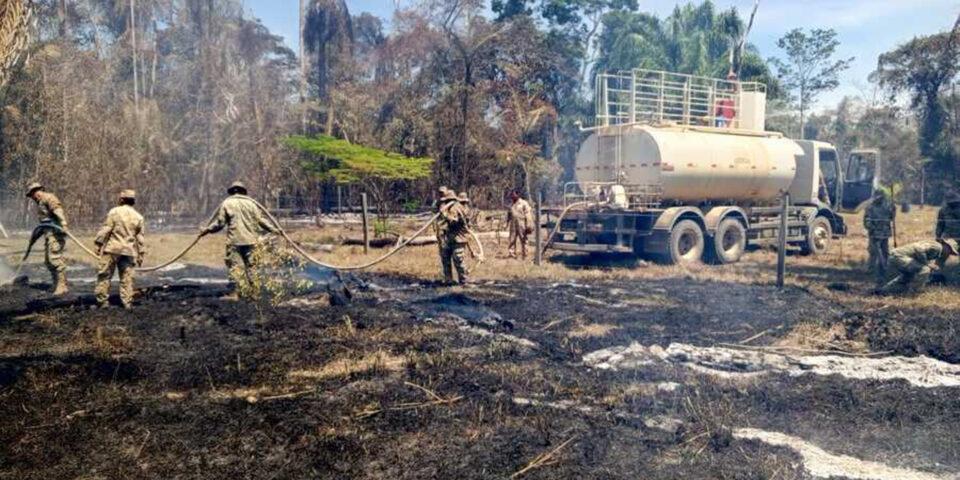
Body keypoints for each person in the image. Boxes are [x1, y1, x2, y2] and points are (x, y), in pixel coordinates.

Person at [199, 181, 280, 294]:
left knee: (236, 268)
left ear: (232, 192)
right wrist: (275, 230)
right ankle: (255, 292)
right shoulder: (252, 204)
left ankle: (236, 293)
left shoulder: (227, 203)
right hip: (252, 241)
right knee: (252, 268)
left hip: (235, 242)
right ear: (243, 191)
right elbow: (261, 220)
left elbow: (220, 223)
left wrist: (207, 230)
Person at [94, 190, 146, 309]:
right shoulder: (139, 217)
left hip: (113, 249)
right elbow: (140, 238)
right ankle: (127, 302)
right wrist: (141, 254)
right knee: (127, 278)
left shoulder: (114, 212)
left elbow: (106, 229)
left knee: (104, 275)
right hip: (128, 251)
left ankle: (102, 302)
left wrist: (98, 243)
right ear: (133, 201)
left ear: (122, 199)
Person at [25, 182, 69, 295]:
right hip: (49, 234)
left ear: (36, 192)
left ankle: (62, 285)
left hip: (55, 233)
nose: (32, 198)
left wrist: (63, 223)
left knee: (55, 259)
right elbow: (44, 224)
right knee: (48, 261)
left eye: (32, 195)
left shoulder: (49, 197)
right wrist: (33, 239)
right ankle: (56, 283)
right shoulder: (40, 203)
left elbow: (57, 210)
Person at [880, 238, 958, 294]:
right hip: (899, 257)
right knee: (925, 269)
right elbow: (919, 249)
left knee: (908, 276)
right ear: (946, 245)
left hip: (897, 257)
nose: (949, 254)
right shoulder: (938, 247)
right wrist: (927, 264)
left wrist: (929, 264)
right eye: (950, 251)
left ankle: (884, 290)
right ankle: (914, 292)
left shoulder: (937, 250)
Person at [436, 188, 470, 285]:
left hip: (459, 238)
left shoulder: (456, 208)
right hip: (449, 238)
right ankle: (448, 280)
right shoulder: (448, 208)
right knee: (445, 258)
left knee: (458, 259)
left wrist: (445, 215)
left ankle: (464, 280)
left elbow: (454, 221)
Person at [863, 189, 896, 285]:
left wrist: (894, 211)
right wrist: (871, 228)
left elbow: (891, 218)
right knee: (873, 252)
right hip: (874, 233)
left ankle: (885, 269)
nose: (879, 199)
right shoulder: (870, 207)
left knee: (885, 252)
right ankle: (871, 269)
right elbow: (866, 220)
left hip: (885, 233)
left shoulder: (887, 206)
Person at [506, 191, 533, 259]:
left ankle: (525, 254)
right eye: (511, 195)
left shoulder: (524, 203)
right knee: (512, 239)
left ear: (517, 194)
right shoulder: (511, 204)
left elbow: (528, 214)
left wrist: (528, 225)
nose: (512, 196)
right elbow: (509, 214)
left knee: (523, 239)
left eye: (513, 195)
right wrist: (507, 223)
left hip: (522, 224)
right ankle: (511, 254)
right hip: (513, 225)